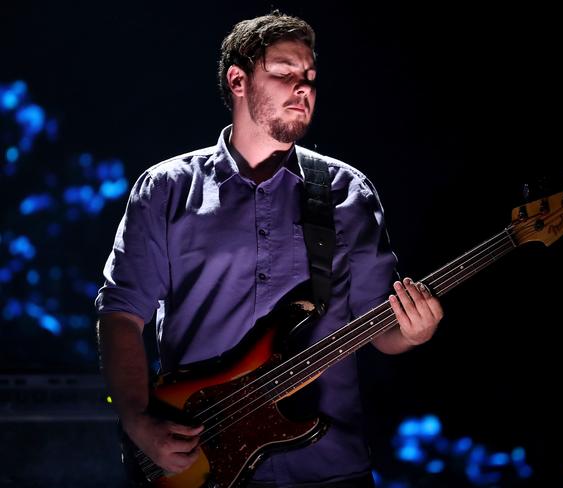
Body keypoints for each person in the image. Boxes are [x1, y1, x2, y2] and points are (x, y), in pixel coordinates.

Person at [95, 11, 443, 488]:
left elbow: (381, 329)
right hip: (199, 462)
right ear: (238, 80)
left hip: (326, 467)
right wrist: (137, 420)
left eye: (310, 78)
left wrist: (413, 333)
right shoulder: (166, 189)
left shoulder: (348, 193)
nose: (303, 88)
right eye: (284, 73)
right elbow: (120, 314)